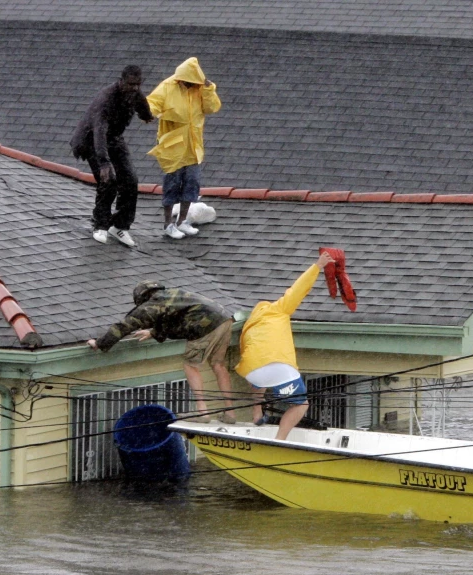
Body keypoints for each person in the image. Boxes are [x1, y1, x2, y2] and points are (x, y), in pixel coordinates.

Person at [87, 281, 239, 423]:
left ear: (143, 297)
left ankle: (202, 413)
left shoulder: (152, 303)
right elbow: (173, 319)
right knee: (218, 365)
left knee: (190, 365)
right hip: (224, 319)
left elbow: (126, 324)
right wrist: (153, 333)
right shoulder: (173, 295)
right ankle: (230, 413)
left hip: (204, 325)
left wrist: (100, 343)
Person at [235, 251, 335, 440]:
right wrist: (318, 266)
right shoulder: (277, 310)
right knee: (301, 404)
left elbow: (248, 355)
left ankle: (257, 414)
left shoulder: (250, 325)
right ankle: (280, 439)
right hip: (278, 367)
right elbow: (298, 289)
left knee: (260, 382)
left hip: (252, 371)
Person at [70, 65, 153, 247]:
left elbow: (142, 105)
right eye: (131, 84)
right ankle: (101, 224)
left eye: (138, 85)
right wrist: (104, 162)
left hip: (114, 137)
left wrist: (147, 115)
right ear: (121, 81)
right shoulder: (106, 98)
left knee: (131, 180)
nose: (134, 88)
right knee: (108, 180)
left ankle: (120, 225)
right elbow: (99, 131)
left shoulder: (135, 93)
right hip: (90, 139)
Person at [145, 57, 222, 241]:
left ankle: (182, 221)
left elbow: (212, 107)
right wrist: (149, 113)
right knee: (172, 184)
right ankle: (168, 224)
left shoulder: (200, 89)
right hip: (173, 146)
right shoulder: (168, 87)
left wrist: (209, 89)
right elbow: (153, 102)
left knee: (191, 184)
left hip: (193, 146)